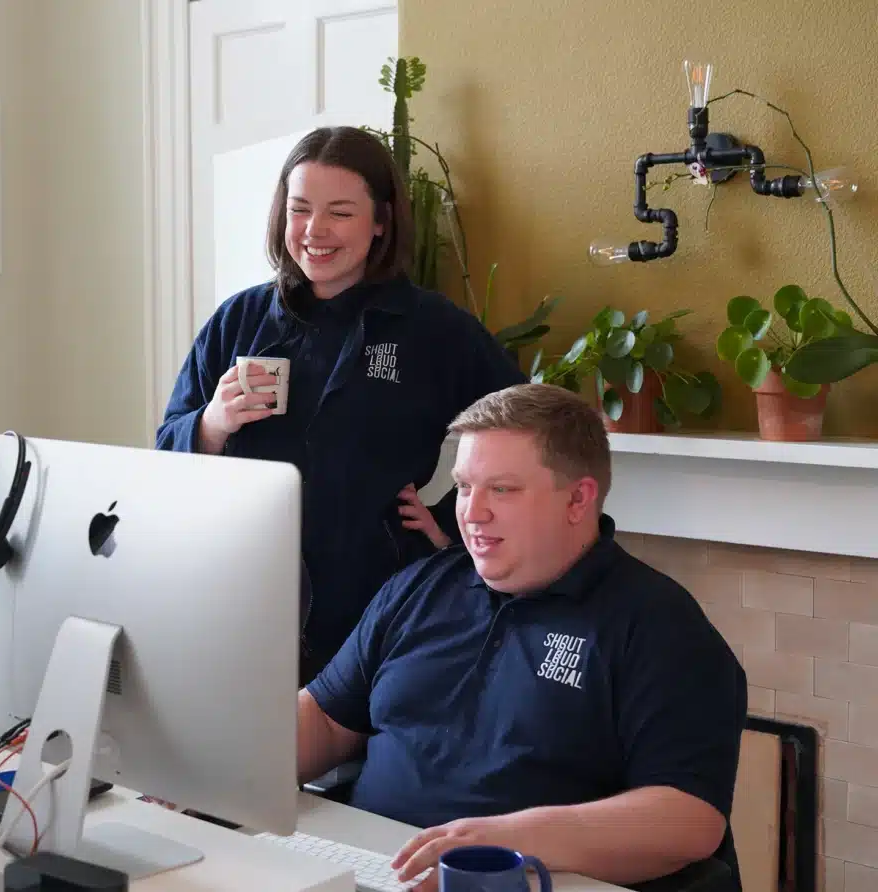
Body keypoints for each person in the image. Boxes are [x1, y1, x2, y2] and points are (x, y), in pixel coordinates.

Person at [297, 383, 748, 891]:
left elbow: (689, 821)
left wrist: (505, 842)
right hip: (373, 868)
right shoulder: (419, 586)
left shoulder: (660, 627)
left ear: (578, 499)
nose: (471, 512)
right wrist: (217, 767)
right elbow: (327, 720)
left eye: (502, 489)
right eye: (465, 487)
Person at [156, 126, 525, 683]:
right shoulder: (240, 320)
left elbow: (524, 433)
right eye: (300, 209)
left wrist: (451, 520)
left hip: (379, 598)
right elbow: (165, 453)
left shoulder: (433, 329)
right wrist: (212, 422)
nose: (315, 231)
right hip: (242, 591)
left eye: (341, 213)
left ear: (382, 221)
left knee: (357, 759)